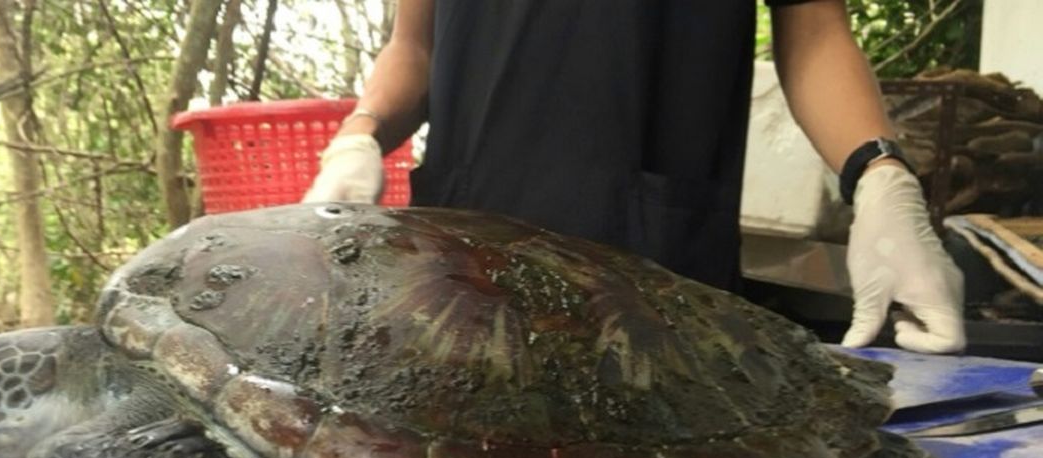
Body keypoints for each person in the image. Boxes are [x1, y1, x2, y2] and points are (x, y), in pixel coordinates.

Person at [303, 0, 965, 354]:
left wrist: (879, 174)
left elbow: (815, 30)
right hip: (463, 267)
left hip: (658, 273)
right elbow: (413, 43)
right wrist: (358, 135)